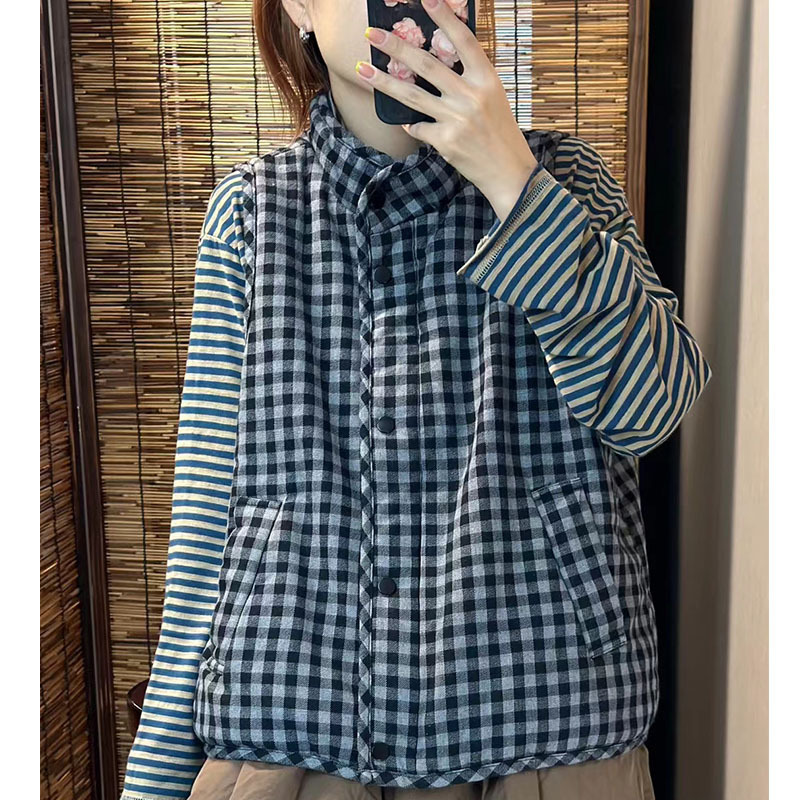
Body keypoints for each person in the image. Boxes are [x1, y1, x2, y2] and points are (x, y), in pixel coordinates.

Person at [120, 1, 711, 798]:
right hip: (297, 739)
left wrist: (514, 184)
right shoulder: (253, 217)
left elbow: (653, 408)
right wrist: (154, 782)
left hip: (551, 731)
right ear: (299, 7)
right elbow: (204, 533)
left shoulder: (565, 183)